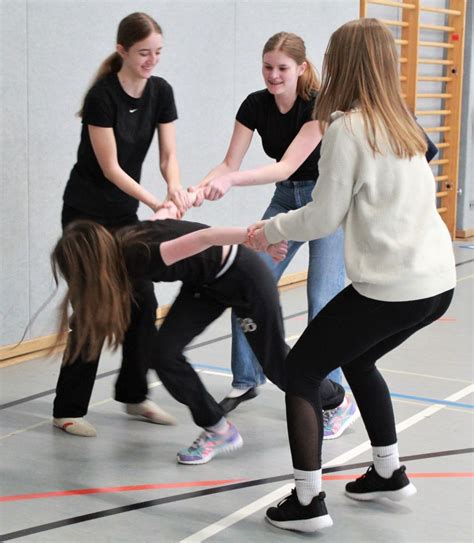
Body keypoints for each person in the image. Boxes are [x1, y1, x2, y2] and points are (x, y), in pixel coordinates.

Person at [248, 18, 456, 532]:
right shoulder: (402, 121)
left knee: (301, 373)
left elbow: (323, 217)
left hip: (393, 286)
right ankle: (387, 472)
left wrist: (267, 228)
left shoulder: (348, 128)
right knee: (359, 359)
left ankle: (307, 503)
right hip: (436, 283)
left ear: (343, 64)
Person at [50, 196, 345, 464]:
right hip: (205, 285)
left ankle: (336, 400)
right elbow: (164, 217)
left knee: (277, 367)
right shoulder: (122, 243)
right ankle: (218, 429)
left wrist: (260, 238)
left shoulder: (138, 255)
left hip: (243, 277)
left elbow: (206, 236)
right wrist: (173, 202)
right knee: (163, 354)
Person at [192, 32, 356, 439]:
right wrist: (197, 189)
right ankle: (247, 378)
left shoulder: (319, 104)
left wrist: (230, 183)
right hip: (286, 199)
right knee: (247, 282)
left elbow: (285, 166)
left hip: (327, 201)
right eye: (267, 66)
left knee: (324, 297)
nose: (273, 75)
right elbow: (230, 161)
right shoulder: (255, 104)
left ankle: (334, 397)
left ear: (301, 68)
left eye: (282, 68)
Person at [53, 12, 192, 437]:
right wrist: (156, 201)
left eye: (158, 53)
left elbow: (168, 154)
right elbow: (111, 167)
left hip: (123, 216)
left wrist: (175, 187)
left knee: (142, 303)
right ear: (122, 51)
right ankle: (68, 409)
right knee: (95, 307)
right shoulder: (102, 97)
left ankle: (134, 395)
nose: (152, 60)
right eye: (143, 53)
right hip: (86, 218)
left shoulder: (161, 92)